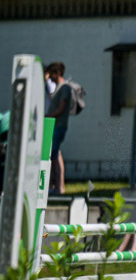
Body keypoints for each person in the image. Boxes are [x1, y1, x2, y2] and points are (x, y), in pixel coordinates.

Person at [44, 61, 71, 194]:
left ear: (58, 73)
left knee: (53, 156)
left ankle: (59, 187)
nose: (50, 77)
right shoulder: (59, 87)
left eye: (52, 74)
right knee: (55, 155)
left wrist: (48, 116)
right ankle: (56, 186)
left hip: (58, 125)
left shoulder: (64, 87)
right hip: (54, 125)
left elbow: (61, 108)